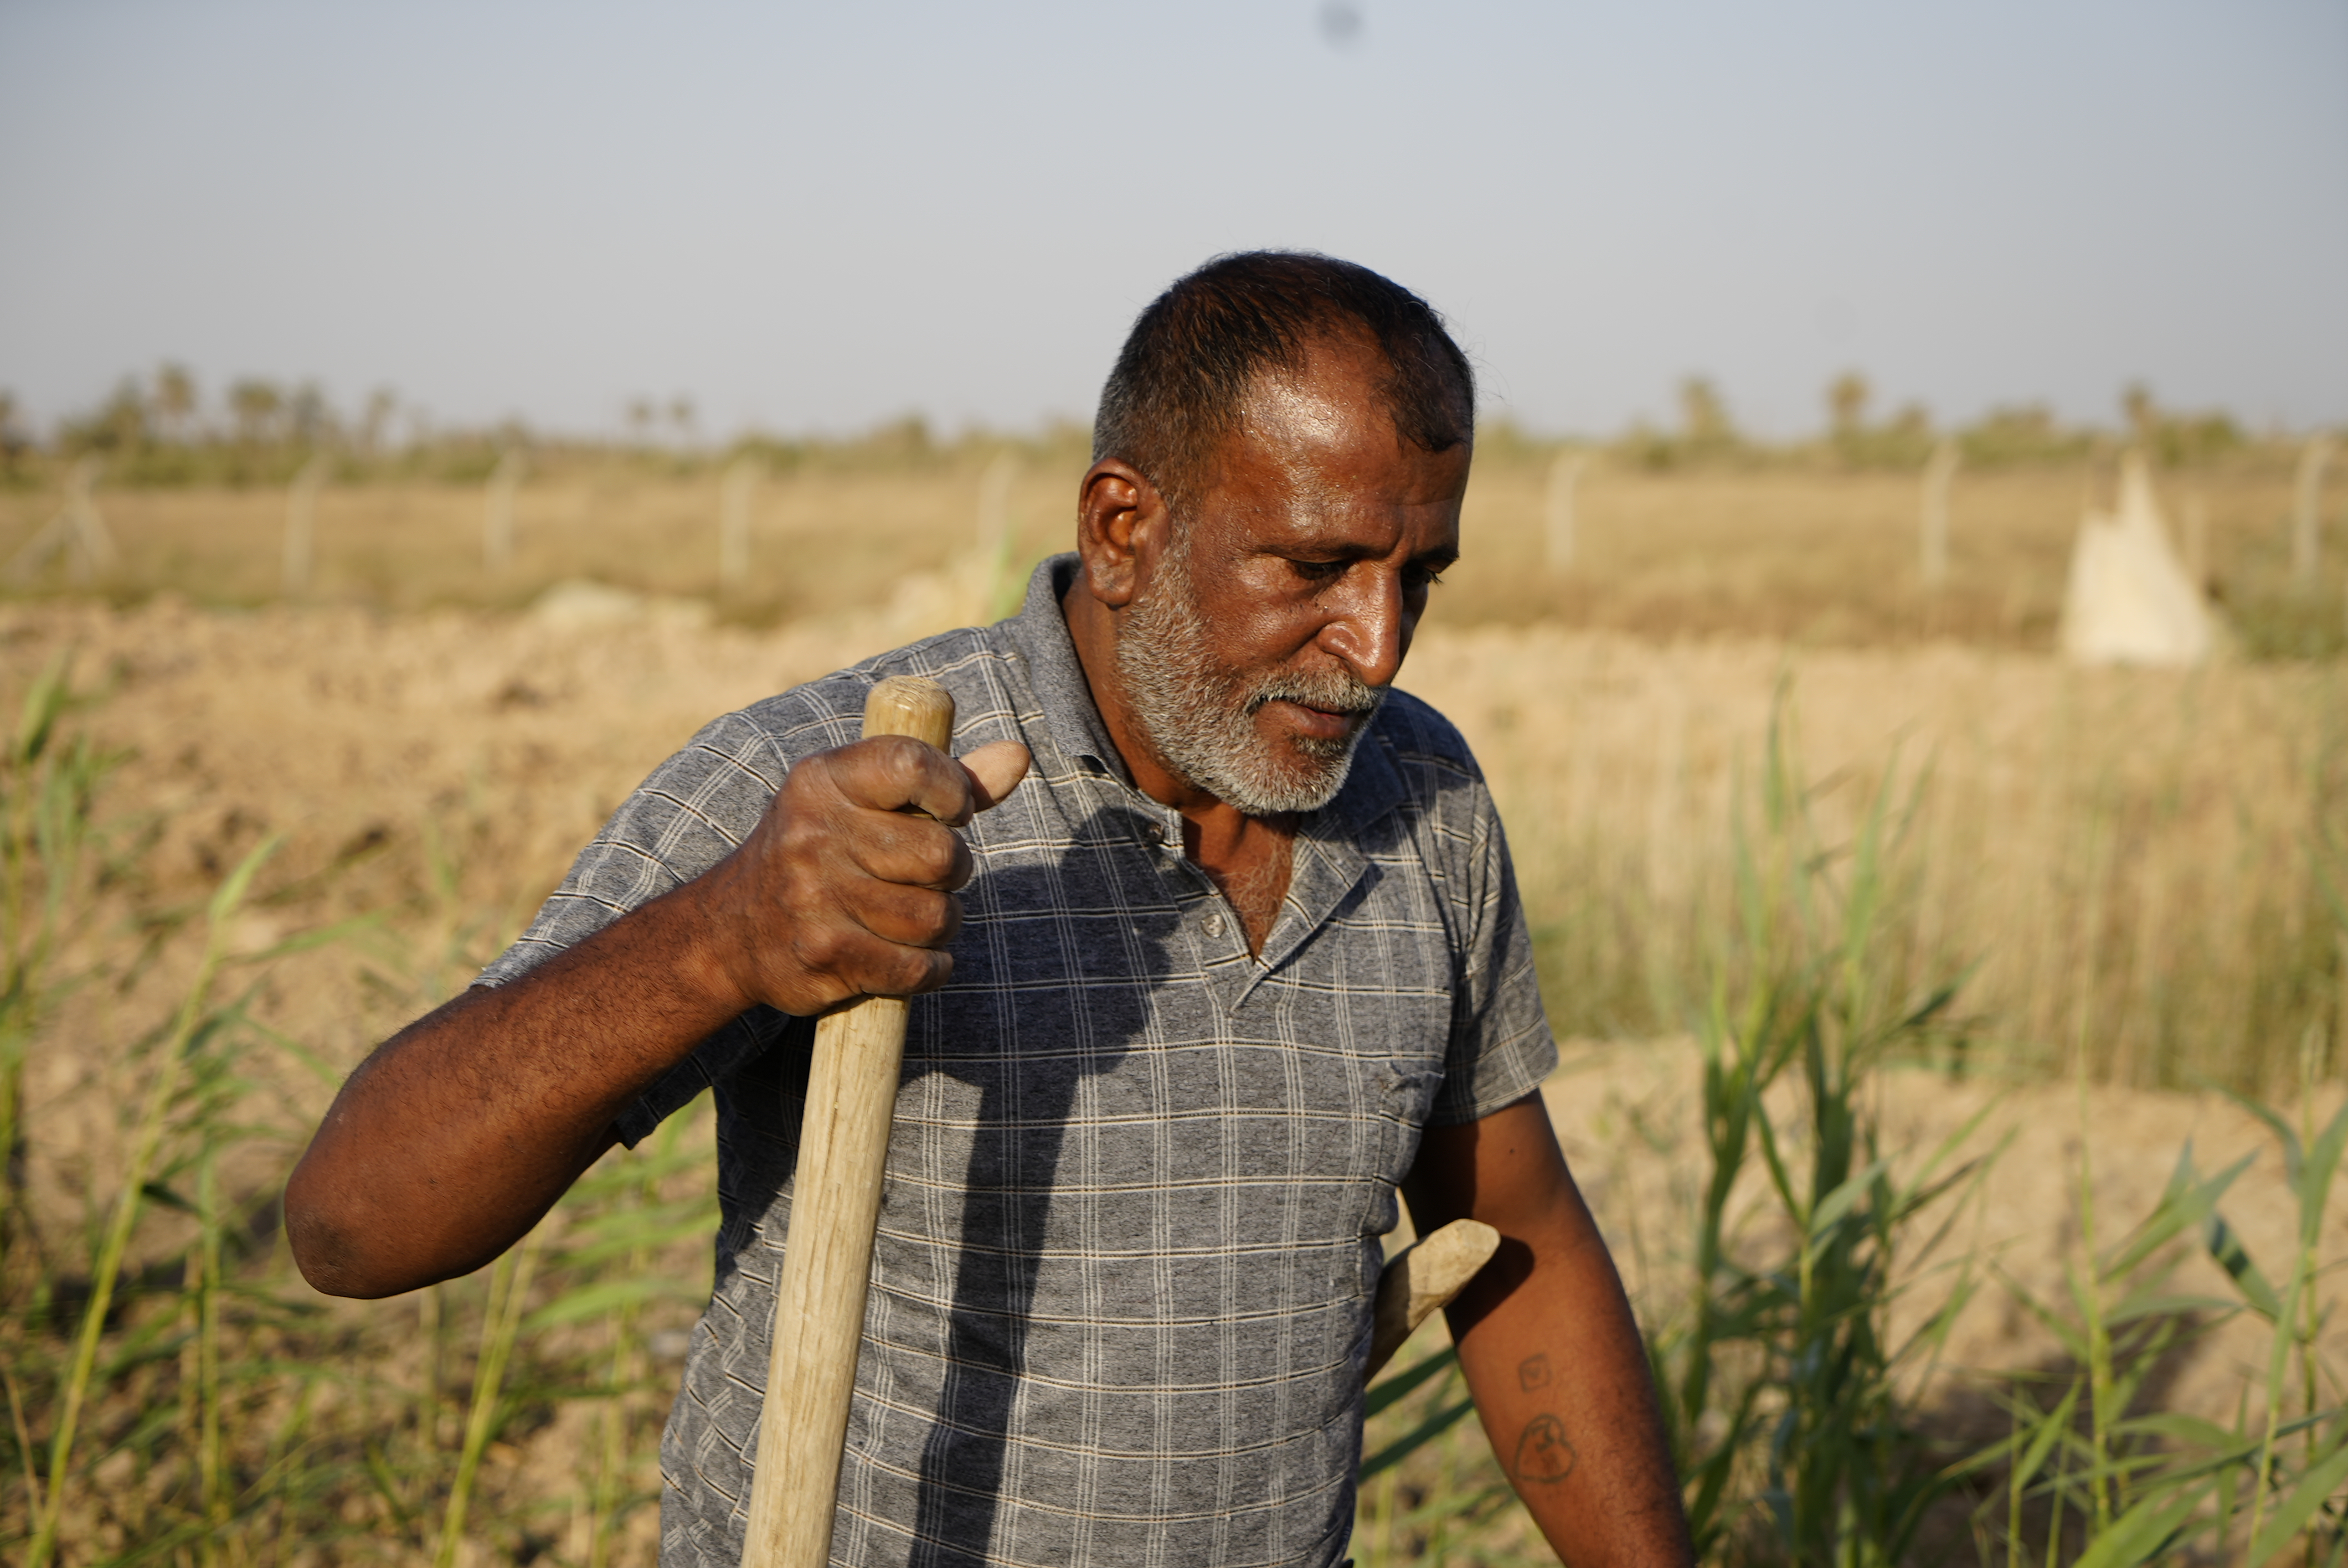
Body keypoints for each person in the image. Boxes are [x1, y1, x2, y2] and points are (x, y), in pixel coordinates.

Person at [286, 251, 1693, 1568]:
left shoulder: (1419, 797)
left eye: (1418, 579)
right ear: (1124, 526)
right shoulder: (847, 793)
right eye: (1315, 568)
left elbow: (1521, 1232)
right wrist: (726, 937)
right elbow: (353, 1226)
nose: (1374, 648)